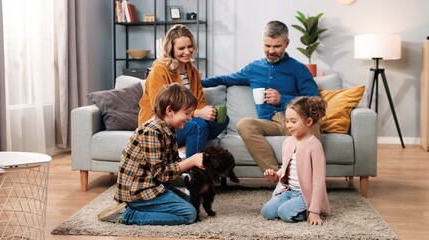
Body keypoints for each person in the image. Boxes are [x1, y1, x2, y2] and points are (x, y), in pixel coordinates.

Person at [202, 20, 319, 172]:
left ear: (287, 43)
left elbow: (314, 100)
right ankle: (277, 177)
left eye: (277, 46)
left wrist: (282, 99)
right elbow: (225, 79)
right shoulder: (254, 68)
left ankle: (305, 178)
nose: (271, 50)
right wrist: (197, 82)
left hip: (294, 121)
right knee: (244, 124)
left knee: (313, 125)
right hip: (269, 123)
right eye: (267, 45)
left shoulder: (298, 69)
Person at [99, 83, 204, 225]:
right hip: (139, 192)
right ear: (170, 110)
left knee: (193, 205)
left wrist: (196, 164)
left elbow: (172, 163)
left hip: (153, 186)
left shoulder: (169, 129)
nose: (190, 118)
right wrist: (191, 161)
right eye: (187, 113)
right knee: (189, 215)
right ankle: (127, 214)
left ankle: (142, 209)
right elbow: (161, 173)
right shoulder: (152, 131)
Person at [138, 24, 229, 158]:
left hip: (182, 122)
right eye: (181, 48)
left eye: (190, 46)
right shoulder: (160, 69)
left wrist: (207, 112)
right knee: (198, 126)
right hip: (161, 126)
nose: (187, 51)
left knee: (222, 119)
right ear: (171, 49)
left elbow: (200, 103)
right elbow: (160, 109)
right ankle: (192, 173)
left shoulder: (193, 72)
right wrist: (197, 113)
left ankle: (182, 150)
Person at [261, 96, 330, 225]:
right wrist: (276, 175)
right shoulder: (287, 142)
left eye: (293, 121)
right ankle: (291, 207)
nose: (289, 126)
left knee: (284, 213)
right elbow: (287, 168)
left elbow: (318, 182)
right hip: (289, 191)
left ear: (308, 122)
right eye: (287, 121)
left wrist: (314, 211)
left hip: (305, 195)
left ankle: (305, 211)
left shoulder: (314, 146)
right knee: (267, 211)